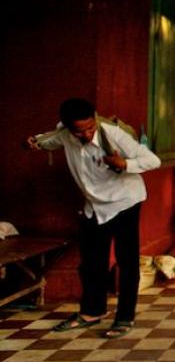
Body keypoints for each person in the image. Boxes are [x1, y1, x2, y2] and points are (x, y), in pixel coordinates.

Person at [25, 98, 161, 339]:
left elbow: (153, 160)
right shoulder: (65, 135)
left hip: (125, 202)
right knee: (91, 263)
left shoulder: (113, 134)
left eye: (91, 128)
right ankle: (92, 311)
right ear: (68, 128)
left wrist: (125, 163)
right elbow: (45, 141)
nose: (87, 134)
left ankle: (124, 317)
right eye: (80, 131)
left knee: (127, 261)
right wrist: (33, 143)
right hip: (94, 206)